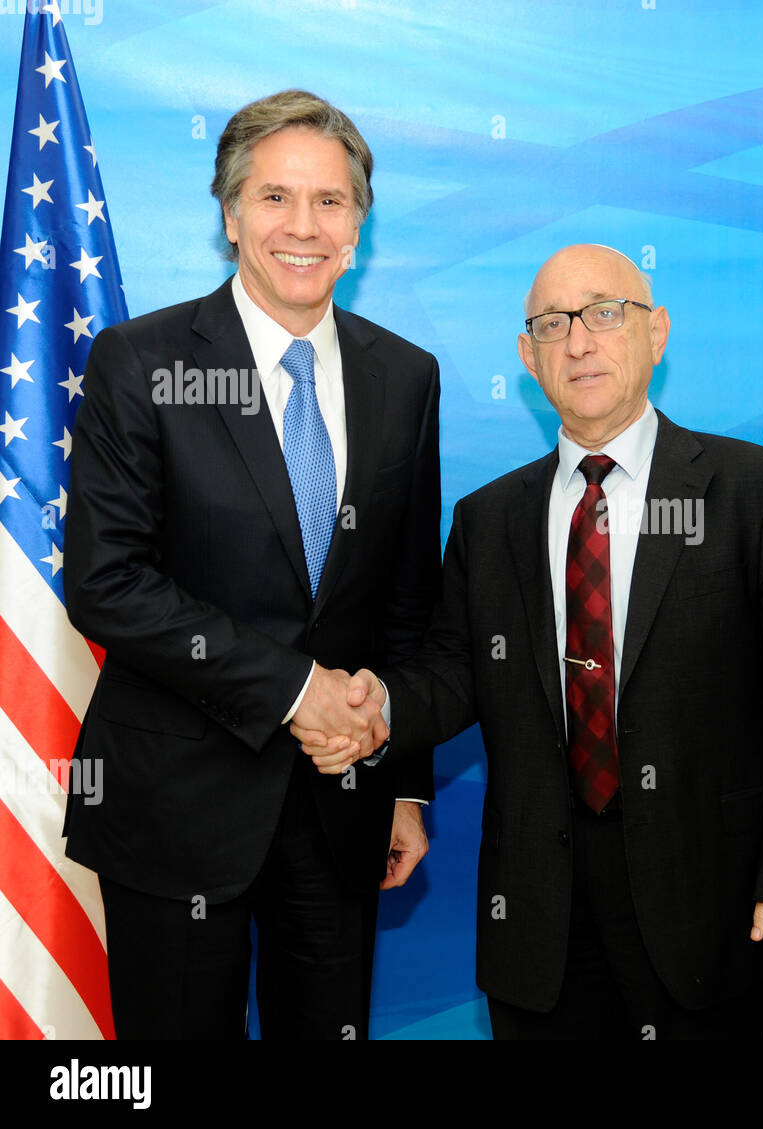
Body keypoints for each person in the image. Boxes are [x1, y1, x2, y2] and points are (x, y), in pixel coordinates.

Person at [299, 243, 763, 1039]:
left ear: (656, 332)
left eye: (605, 314)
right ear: (528, 356)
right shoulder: (488, 521)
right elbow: (453, 674)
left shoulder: (755, 491)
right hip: (539, 915)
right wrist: (373, 703)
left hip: (712, 906)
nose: (579, 342)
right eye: (553, 325)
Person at [63, 90, 441, 1040]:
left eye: (330, 200)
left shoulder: (406, 375)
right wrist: (296, 690)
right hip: (176, 811)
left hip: (344, 802)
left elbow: (408, 601)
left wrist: (400, 782)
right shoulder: (140, 360)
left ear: (359, 221)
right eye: (275, 198)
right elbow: (107, 582)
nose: (303, 227)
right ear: (230, 216)